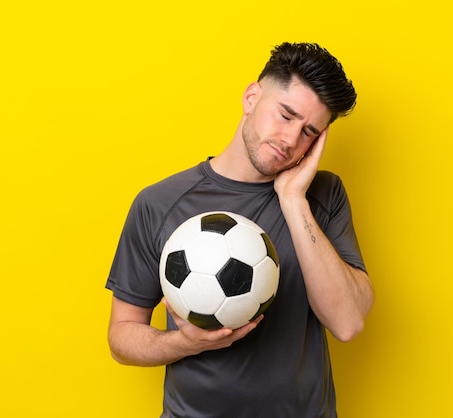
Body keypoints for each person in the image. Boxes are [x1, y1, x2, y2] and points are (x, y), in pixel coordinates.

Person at [106, 42, 374, 418]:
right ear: (252, 97)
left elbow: (347, 323)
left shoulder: (323, 196)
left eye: (309, 132)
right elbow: (121, 336)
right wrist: (184, 343)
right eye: (285, 115)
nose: (290, 140)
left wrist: (294, 200)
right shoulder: (159, 203)